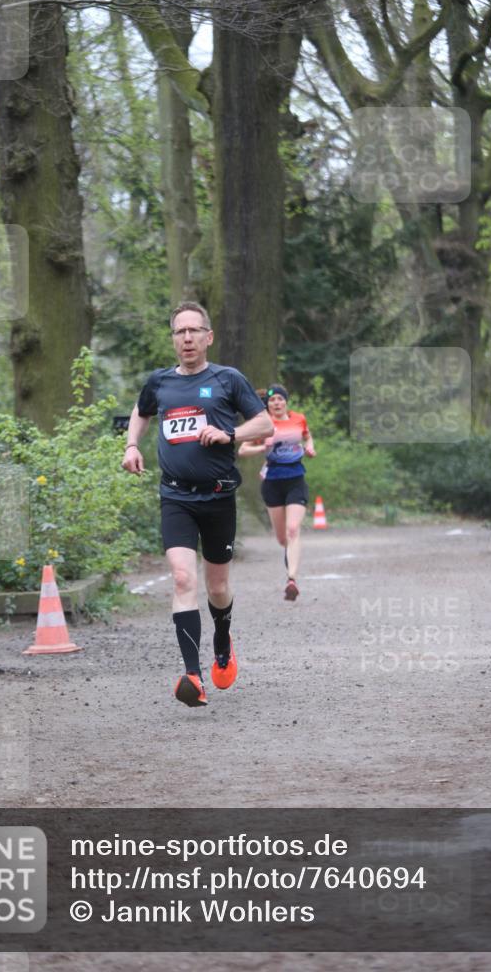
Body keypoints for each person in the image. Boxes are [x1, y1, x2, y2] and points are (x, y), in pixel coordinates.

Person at [121, 302, 273, 708]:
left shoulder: (228, 379)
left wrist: (229, 433)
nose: (186, 338)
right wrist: (132, 444)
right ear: (173, 339)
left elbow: (265, 424)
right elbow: (141, 411)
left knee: (217, 587)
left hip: (219, 495)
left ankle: (222, 637)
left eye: (194, 331)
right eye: (179, 332)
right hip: (175, 496)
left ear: (208, 337)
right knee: (183, 579)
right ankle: (192, 674)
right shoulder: (159, 382)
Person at [238, 384, 316, 601]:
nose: (277, 403)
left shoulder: (299, 419)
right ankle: (289, 557)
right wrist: (262, 448)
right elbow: (243, 449)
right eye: (272, 400)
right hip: (272, 482)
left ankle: (292, 579)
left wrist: (310, 447)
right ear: (268, 404)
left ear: (286, 401)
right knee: (282, 538)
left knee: (293, 530)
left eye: (280, 399)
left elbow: (307, 436)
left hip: (295, 479)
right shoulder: (263, 424)